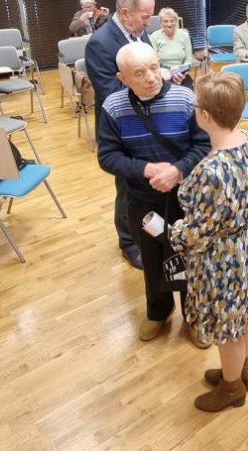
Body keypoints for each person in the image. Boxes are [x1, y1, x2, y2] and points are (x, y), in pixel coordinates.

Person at [97, 43, 212, 346]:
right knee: (151, 258)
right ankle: (159, 312)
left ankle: (194, 317)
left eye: (154, 67)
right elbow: (107, 156)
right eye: (139, 73)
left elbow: (204, 144)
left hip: (186, 200)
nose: (151, 77)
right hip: (143, 201)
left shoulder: (186, 99)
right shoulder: (113, 107)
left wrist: (177, 170)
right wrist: (146, 169)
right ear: (122, 78)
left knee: (191, 258)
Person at [169, 71, 248, 412]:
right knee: (242, 316)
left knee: (228, 328)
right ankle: (240, 370)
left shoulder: (212, 170)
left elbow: (199, 230)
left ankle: (231, 388)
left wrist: (174, 233)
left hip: (224, 256)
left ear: (205, 115)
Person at [86, 0, 157, 270]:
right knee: (127, 187)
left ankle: (150, 231)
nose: (148, 22)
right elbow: (111, 93)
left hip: (149, 121)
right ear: (126, 13)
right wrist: (151, 82)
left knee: (147, 185)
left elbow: (149, 72)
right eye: (145, 16)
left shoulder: (141, 35)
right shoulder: (99, 43)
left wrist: (163, 78)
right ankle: (128, 243)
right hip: (122, 127)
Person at [150, 7, 195, 88]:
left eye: (172, 21)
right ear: (160, 23)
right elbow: (153, 61)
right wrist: (166, 71)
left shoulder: (184, 35)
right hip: (163, 72)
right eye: (165, 21)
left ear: (176, 21)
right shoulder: (154, 37)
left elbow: (188, 60)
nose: (169, 24)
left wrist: (181, 71)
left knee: (189, 91)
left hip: (181, 72)